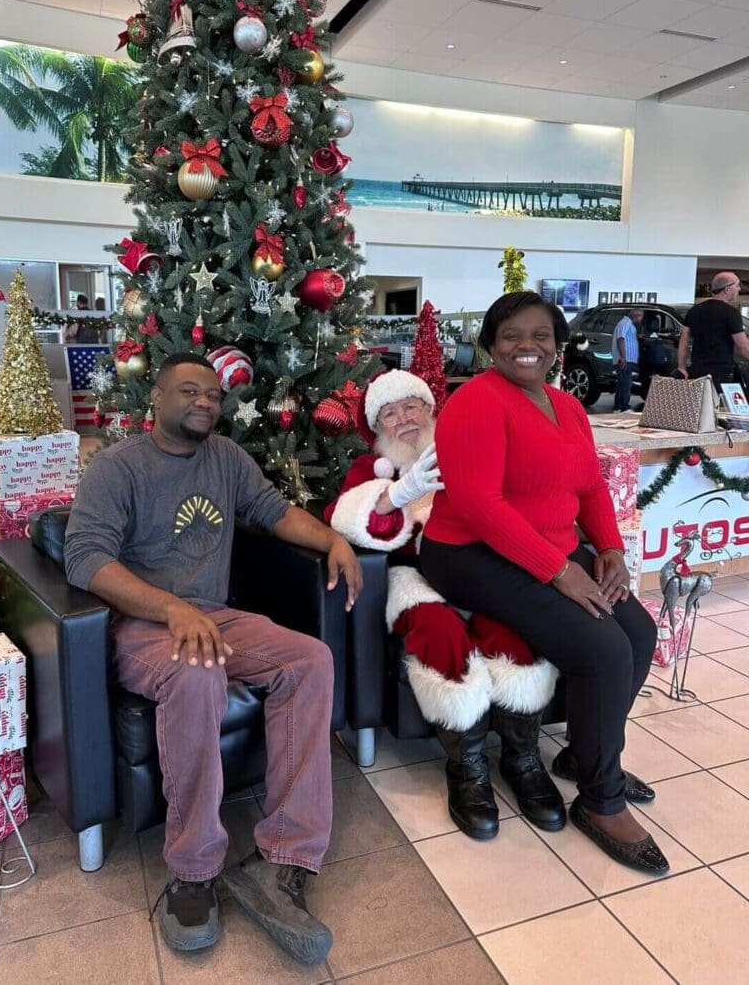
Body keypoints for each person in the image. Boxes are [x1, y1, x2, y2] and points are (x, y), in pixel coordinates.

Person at [64, 352, 362, 962]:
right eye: (189, 391)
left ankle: (283, 859)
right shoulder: (118, 468)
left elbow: (275, 514)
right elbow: (86, 561)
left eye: (213, 395)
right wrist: (171, 609)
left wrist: (334, 538)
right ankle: (193, 871)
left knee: (310, 660)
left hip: (216, 615)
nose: (204, 402)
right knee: (197, 674)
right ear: (155, 398)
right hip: (145, 624)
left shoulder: (227, 458)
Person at [419, 292, 669, 876]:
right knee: (602, 646)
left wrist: (608, 548)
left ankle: (586, 757)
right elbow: (480, 505)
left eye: (541, 335)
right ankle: (601, 803)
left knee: (637, 632)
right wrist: (559, 571)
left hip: (550, 548)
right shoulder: (474, 402)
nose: (527, 346)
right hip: (471, 552)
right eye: (511, 335)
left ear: (559, 347)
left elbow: (587, 489)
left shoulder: (569, 407)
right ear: (489, 344)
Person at [326, 369, 564, 840]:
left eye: (411, 406)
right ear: (378, 430)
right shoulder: (369, 469)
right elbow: (344, 519)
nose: (404, 420)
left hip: (478, 568)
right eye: (389, 414)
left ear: (430, 410)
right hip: (412, 575)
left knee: (513, 634)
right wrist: (398, 493)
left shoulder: (467, 447)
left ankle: (522, 758)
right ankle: (468, 768)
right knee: (439, 633)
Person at [677, 272, 749, 391]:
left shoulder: (694, 311)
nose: (739, 289)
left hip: (697, 370)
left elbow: (683, 343)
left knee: (700, 405)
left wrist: (682, 367)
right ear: (727, 289)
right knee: (717, 407)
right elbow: (743, 347)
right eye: (737, 285)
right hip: (721, 372)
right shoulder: (731, 313)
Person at [612, 308, 643, 412]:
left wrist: (636, 336)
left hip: (628, 359)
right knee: (626, 383)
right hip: (625, 359)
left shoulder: (628, 325)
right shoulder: (625, 323)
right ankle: (624, 406)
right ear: (636, 316)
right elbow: (620, 338)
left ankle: (618, 407)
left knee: (622, 383)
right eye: (641, 317)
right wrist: (622, 357)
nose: (641, 319)